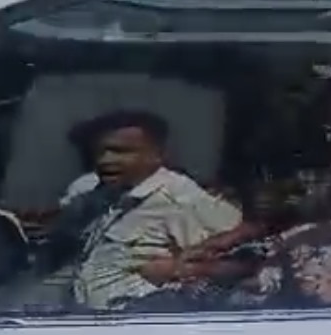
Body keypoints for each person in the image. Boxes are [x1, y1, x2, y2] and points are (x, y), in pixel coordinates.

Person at [39, 110, 242, 310]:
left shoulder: (182, 200)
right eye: (99, 153)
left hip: (144, 321)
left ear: (157, 155)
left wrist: (181, 270)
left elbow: (246, 260)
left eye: (120, 152)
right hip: (81, 318)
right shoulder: (98, 195)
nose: (105, 161)